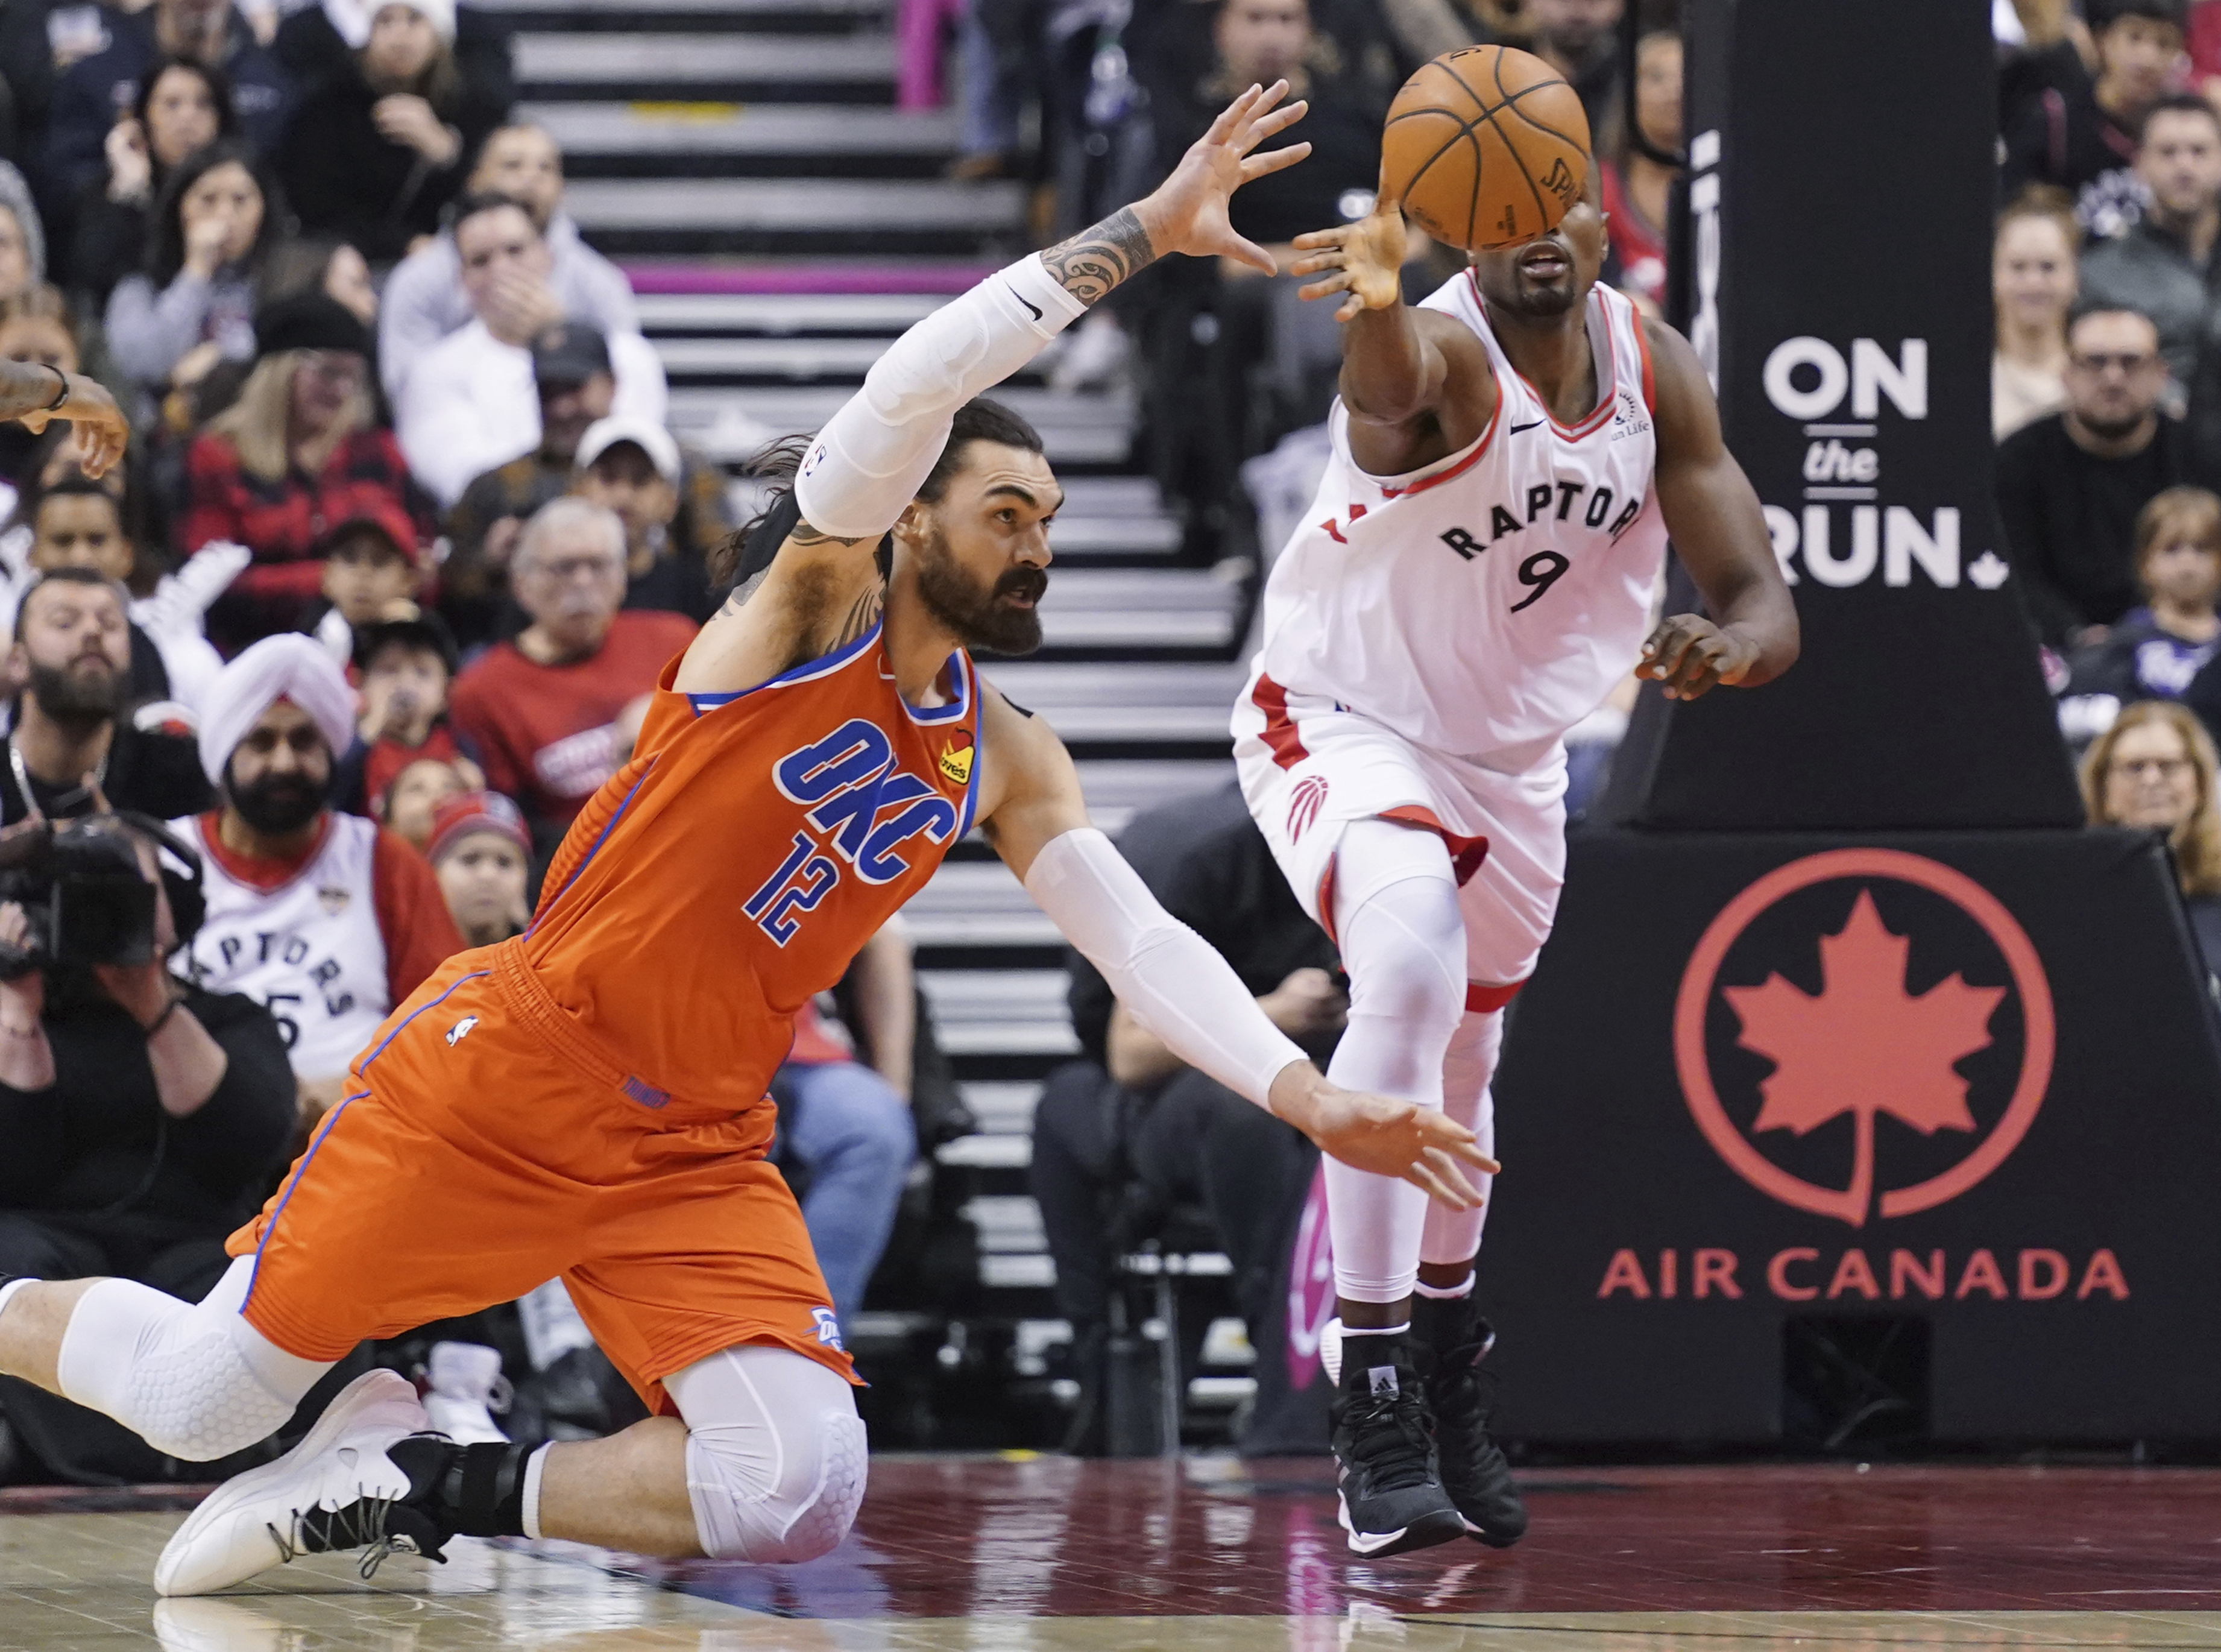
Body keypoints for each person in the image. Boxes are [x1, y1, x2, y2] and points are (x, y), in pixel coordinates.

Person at [0, 84, 1489, 1598]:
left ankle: (425, 1477)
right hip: (513, 1070)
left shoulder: (1006, 753)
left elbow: (1139, 941)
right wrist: (1138, 237)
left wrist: (1307, 1095)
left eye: (1047, 518)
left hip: (690, 1140)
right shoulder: (803, 609)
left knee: (797, 1482)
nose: (1037, 541)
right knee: (200, 1399)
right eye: (1003, 512)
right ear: (915, 522)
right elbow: (914, 383)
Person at [1261, 153, 1797, 1556]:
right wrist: (1372, 302)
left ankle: (1445, 1358)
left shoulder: (1651, 359)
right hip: (1338, 713)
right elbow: (1386, 391)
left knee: (1469, 1059)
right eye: (1496, 216)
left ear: (1594, 218)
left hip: (1510, 759)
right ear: (1458, 239)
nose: (1536, 235)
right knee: (1410, 972)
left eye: (1557, 203)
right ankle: (1365, 1377)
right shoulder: (1433, 342)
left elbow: (1758, 593)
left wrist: (1729, 647)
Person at [1031, 781, 1340, 1454]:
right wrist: (1274, 1015)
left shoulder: (1370, 855)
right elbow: (1130, 1053)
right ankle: (1289, 1375)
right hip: (1169, 1089)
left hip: (1309, 1090)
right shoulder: (1204, 856)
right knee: (1245, 1108)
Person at [0, 813, 295, 1486]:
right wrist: (17, 1013)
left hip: (197, 1246)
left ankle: (220, 1456)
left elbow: (251, 1143)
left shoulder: (229, 1017)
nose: (96, 908)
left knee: (277, 1274)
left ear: (177, 907)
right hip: (45, 1245)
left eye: (128, 890)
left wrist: (151, 1003)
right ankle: (91, 1465)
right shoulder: (14, 1013)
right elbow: (11, 1169)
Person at [171, 634, 461, 1128]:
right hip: (195, 1140)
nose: (284, 762)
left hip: (357, 1132)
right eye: (261, 742)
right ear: (223, 756)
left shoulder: (384, 860)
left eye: (304, 742)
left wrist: (355, 1091)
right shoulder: (167, 859)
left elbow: (448, 1026)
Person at [181, 293, 432, 651]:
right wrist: (322, 581)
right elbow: (204, 584)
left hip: (372, 647)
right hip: (252, 647)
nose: (342, 390)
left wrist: (408, 579)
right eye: (329, 372)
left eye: (352, 376)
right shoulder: (218, 457)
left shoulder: (377, 450)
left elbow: (421, 548)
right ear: (280, 372)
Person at [444, 497, 695, 846]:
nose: (582, 581)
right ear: (521, 585)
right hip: (576, 869)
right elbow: (510, 829)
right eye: (564, 567)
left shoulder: (674, 640)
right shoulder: (481, 693)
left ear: (623, 577)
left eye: (598, 565)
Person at [394, 198, 666, 507]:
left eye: (515, 251)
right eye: (481, 261)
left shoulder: (627, 356)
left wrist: (559, 333)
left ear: (547, 256)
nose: (502, 271)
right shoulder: (434, 372)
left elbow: (638, 459)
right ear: (463, 279)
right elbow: (462, 483)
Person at [379, 122, 637, 403]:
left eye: (546, 168)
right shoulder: (420, 278)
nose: (531, 179)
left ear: (562, 189)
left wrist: (559, 336)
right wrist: (490, 340)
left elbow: (631, 382)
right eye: (513, 166)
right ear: (475, 180)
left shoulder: (599, 281)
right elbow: (404, 389)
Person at [1999, 304, 2193, 646]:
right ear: (2067, 375)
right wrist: (2076, 634)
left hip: (2179, 637)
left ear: (2161, 375)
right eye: (2095, 362)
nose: (2113, 378)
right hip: (2051, 644)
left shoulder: (2200, 454)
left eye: (2131, 362)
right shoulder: (2019, 458)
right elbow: (2016, 569)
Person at [277, 0, 509, 265]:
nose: (400, 36)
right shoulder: (330, 104)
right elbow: (317, 208)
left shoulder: (470, 106)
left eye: (414, 19)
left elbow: (489, 199)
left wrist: (447, 154)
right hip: (348, 260)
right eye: (385, 21)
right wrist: (403, 244)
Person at [773, 924, 918, 1331]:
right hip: (673, 1054)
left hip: (797, 1051)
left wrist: (895, 1086)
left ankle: (807, 1343)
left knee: (876, 1131)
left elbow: (884, 937)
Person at [440, 321, 619, 648]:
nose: (560, 408)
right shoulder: (493, 488)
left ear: (612, 385)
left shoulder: (667, 475)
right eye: (547, 391)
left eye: (574, 388)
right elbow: (446, 593)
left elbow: (722, 576)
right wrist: (489, 563)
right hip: (519, 654)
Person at [40, 0, 289, 230]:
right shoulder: (98, 71)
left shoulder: (274, 74)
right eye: (172, 104)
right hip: (125, 244)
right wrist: (122, 193)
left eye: (204, 104)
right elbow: (61, 189)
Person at [0, 569, 212, 827]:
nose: (93, 631)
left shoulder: (181, 774)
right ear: (18, 662)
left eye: (109, 623)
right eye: (65, 622)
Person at [14, 477, 231, 709]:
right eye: (63, 541)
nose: (81, 558)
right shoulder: (6, 646)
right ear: (31, 554)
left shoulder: (187, 660)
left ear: (126, 555)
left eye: (97, 540)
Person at [2077, 96, 2221, 431]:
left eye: (2199, 151)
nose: (2185, 167)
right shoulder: (2102, 273)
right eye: (2168, 152)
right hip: (2146, 448)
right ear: (2140, 165)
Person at [103, 143, 284, 408]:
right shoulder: (139, 289)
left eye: (241, 200)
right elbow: (140, 367)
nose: (225, 215)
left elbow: (291, 351)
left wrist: (221, 357)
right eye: (208, 200)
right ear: (179, 209)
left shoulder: (284, 281)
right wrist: (196, 271)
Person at [2002, 0, 2185, 238]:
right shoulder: (2055, 119)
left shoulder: (2185, 130)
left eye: (2163, 43)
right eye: (2134, 37)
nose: (2148, 58)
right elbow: (2011, 210)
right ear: (2103, 42)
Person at [67, 55, 233, 303]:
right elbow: (94, 279)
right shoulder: (110, 193)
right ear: (143, 119)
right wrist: (130, 191)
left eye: (203, 104)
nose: (188, 118)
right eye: (172, 104)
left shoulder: (241, 184)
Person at [2082, 698, 2221, 968]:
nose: (2151, 780)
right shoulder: (2077, 893)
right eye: (2134, 767)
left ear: (2200, 782)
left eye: (2168, 766)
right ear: (2103, 785)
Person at [2066, 487, 2221, 726]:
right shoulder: (2124, 646)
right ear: (2145, 563)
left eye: (2202, 548)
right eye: (2172, 549)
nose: (2187, 562)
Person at [572, 415, 732, 625]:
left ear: (670, 501)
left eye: (641, 480)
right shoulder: (545, 589)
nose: (623, 496)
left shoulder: (700, 596)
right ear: (578, 490)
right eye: (608, 478)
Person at [338, 610, 468, 819]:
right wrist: (368, 732)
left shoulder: (461, 748)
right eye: (389, 670)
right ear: (360, 684)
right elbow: (332, 803)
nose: (405, 685)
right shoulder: (348, 750)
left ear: (447, 692)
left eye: (422, 672)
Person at [1598, 30, 1679, 317]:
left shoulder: (1720, 184)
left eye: (1686, 76)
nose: (1675, 91)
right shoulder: (1599, 186)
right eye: (1657, 77)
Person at [1993, 194, 2080, 440]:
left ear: (2076, 277)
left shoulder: (2096, 379)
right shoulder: (1965, 380)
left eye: (2048, 267)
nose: (2033, 283)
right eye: (2018, 267)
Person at [298, 504, 427, 662]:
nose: (363, 573)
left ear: (409, 582)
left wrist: (401, 631)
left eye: (379, 561)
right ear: (327, 576)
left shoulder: (428, 644)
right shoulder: (304, 642)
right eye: (350, 558)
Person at [425, 787, 530, 947]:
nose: (488, 875)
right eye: (470, 859)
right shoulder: (399, 961)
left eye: (505, 862)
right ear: (433, 871)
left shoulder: (549, 963)